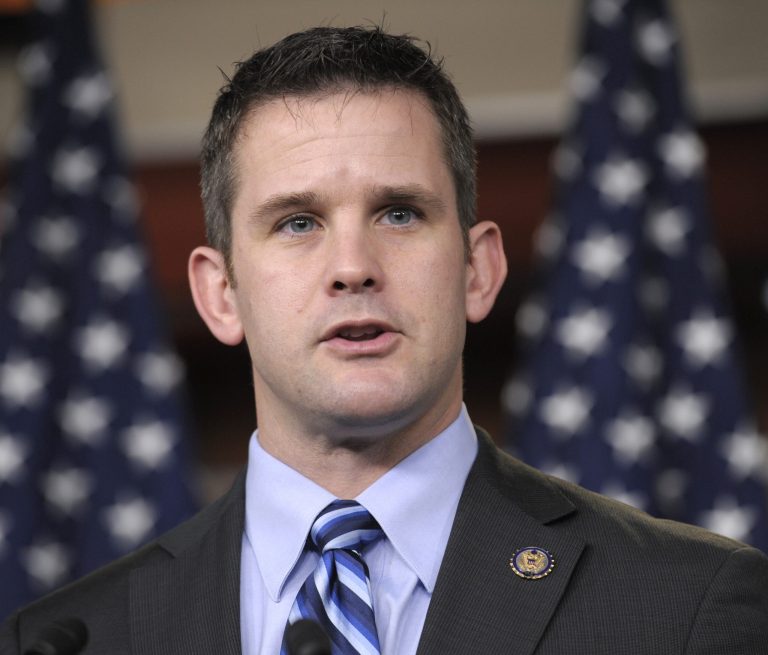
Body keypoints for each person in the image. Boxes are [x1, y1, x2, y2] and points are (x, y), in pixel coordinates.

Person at [2, 25, 767, 655]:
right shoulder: (72, 639)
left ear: (478, 270)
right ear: (220, 292)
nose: (352, 268)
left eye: (399, 213)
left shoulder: (689, 606)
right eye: (297, 222)